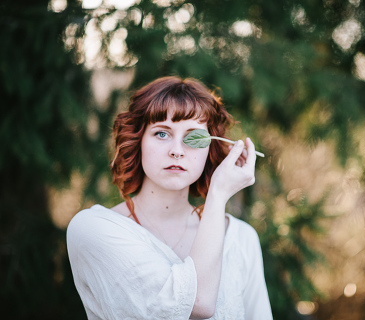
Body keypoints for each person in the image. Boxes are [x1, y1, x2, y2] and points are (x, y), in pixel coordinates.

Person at [66, 76, 273, 320]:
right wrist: (218, 194)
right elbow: (198, 305)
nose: (177, 150)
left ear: (209, 148)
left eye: (193, 137)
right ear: (138, 141)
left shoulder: (241, 239)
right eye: (162, 134)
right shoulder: (94, 229)